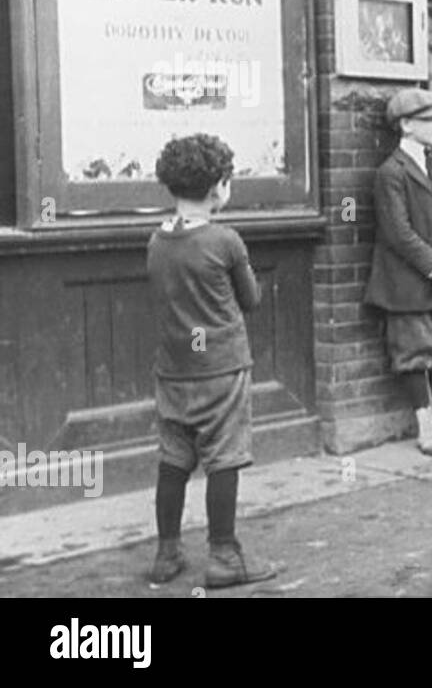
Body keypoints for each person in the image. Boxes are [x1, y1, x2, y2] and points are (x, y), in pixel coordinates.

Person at [146, 133, 277, 588]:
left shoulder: (156, 241)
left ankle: (166, 554)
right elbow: (252, 299)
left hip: (173, 368)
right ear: (219, 186)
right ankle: (224, 556)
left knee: (174, 458)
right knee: (224, 458)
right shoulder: (226, 240)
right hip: (221, 366)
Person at [364, 89, 432, 457]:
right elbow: (397, 231)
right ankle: (425, 425)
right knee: (414, 351)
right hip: (406, 279)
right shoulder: (390, 172)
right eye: (429, 120)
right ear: (406, 125)